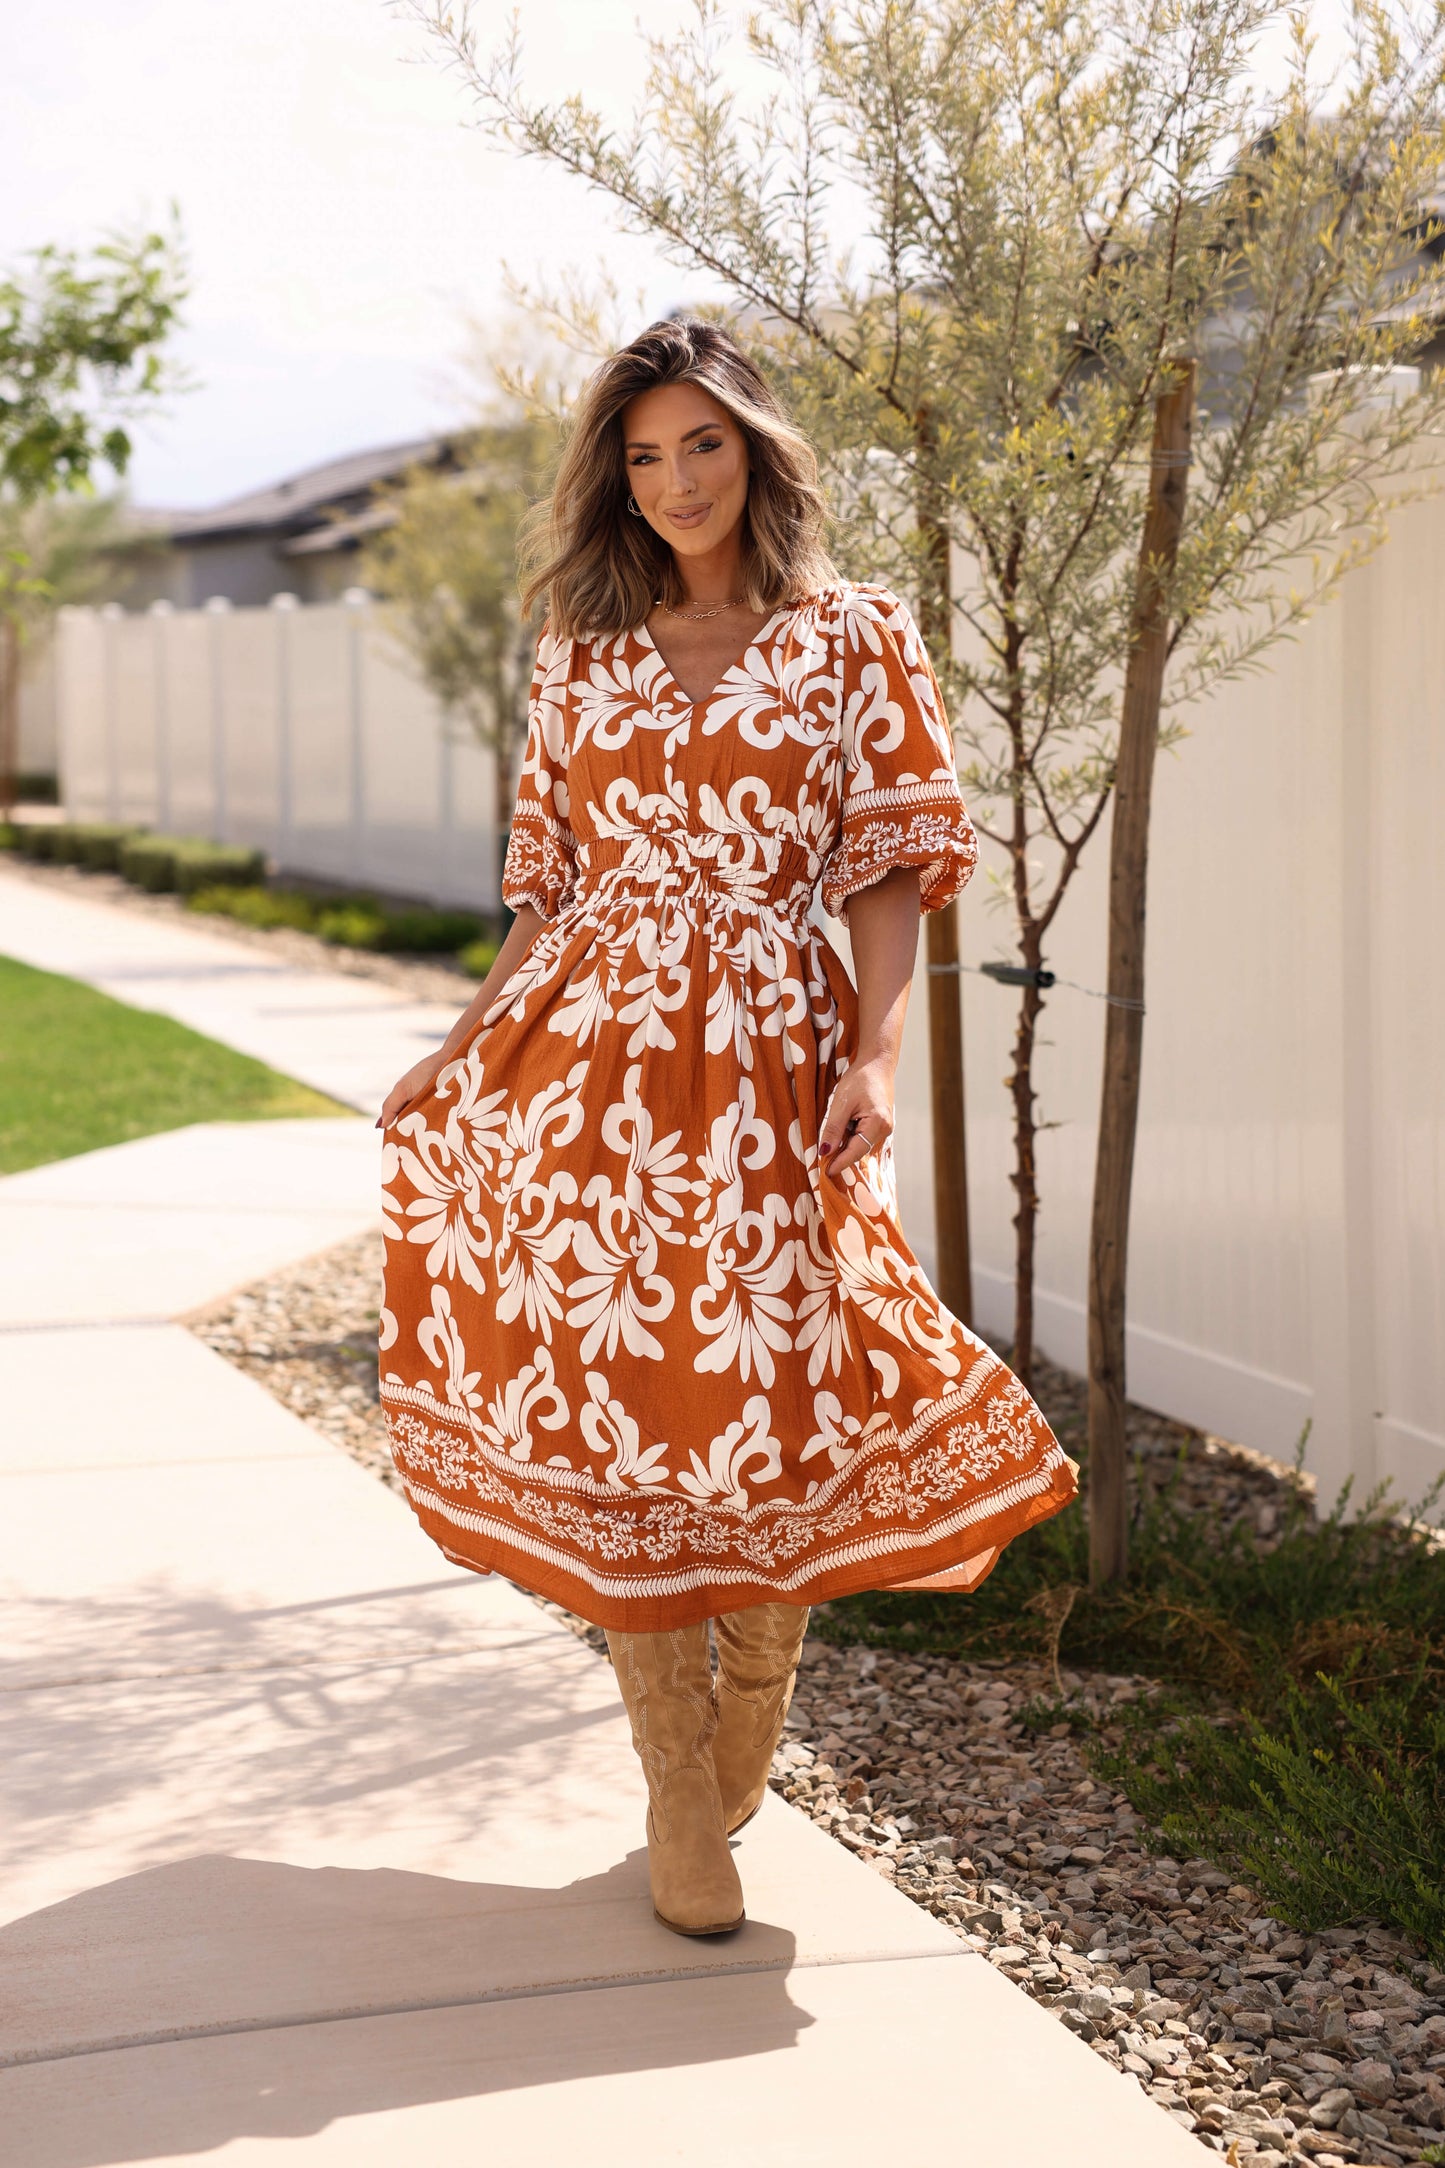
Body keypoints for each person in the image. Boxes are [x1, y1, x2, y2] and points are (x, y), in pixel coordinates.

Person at [377, 317, 1076, 1940]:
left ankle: (742, 1729)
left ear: (755, 449)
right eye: (641, 454)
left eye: (702, 444)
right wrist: (462, 1043)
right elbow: (549, 885)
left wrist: (879, 1057)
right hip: (589, 1059)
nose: (674, 480)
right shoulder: (581, 636)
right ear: (611, 478)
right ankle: (677, 1790)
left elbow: (890, 870)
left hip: (770, 1050)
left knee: (757, 1394)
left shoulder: (854, 639)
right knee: (626, 1401)